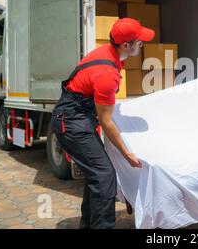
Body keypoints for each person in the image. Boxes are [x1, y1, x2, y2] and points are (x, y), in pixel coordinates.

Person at [52, 18, 155, 228]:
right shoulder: (107, 73)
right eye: (139, 41)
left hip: (77, 117)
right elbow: (105, 121)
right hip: (71, 122)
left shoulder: (111, 54)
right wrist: (126, 154)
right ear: (126, 45)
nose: (141, 45)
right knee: (104, 175)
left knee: (97, 175)